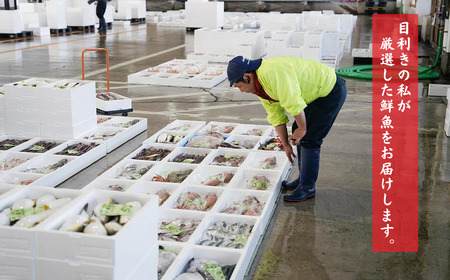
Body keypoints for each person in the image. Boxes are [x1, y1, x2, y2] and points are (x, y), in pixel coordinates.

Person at [227, 56, 347, 202]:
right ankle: (303, 179)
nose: (240, 90)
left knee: (310, 137)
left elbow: (293, 101)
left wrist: (303, 129)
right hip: (314, 95)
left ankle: (307, 187)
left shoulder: (272, 72)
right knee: (297, 130)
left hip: (330, 89)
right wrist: (286, 144)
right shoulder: (259, 86)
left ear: (246, 77)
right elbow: (276, 115)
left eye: (239, 86)